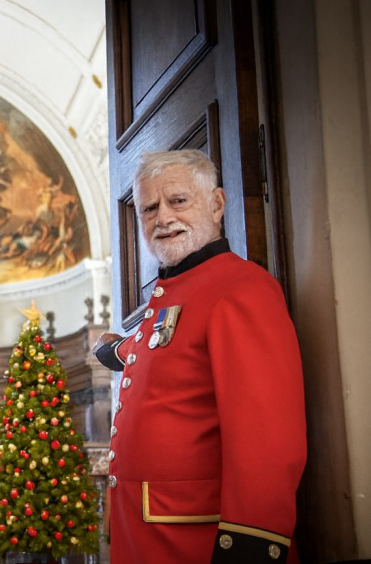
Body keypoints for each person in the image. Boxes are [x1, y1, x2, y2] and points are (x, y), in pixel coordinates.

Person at [93, 149, 306, 563]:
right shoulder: (172, 294)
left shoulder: (241, 289)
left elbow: (267, 438)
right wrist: (110, 348)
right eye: (149, 208)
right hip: (148, 537)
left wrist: (252, 542)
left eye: (178, 201)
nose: (163, 218)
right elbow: (155, 351)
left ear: (217, 204)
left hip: (196, 539)